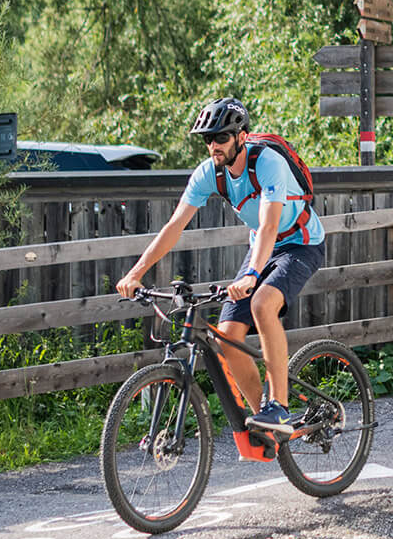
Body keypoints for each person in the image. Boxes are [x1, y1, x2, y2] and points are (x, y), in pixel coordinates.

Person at [116, 97, 326, 435]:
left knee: (262, 303)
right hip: (262, 247)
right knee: (227, 336)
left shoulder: (268, 163)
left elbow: (270, 225)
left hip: (300, 243)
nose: (214, 145)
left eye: (222, 137)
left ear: (241, 136)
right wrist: (135, 273)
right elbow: (174, 226)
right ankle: (265, 422)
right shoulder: (209, 174)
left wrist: (253, 276)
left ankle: (281, 407)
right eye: (208, 139)